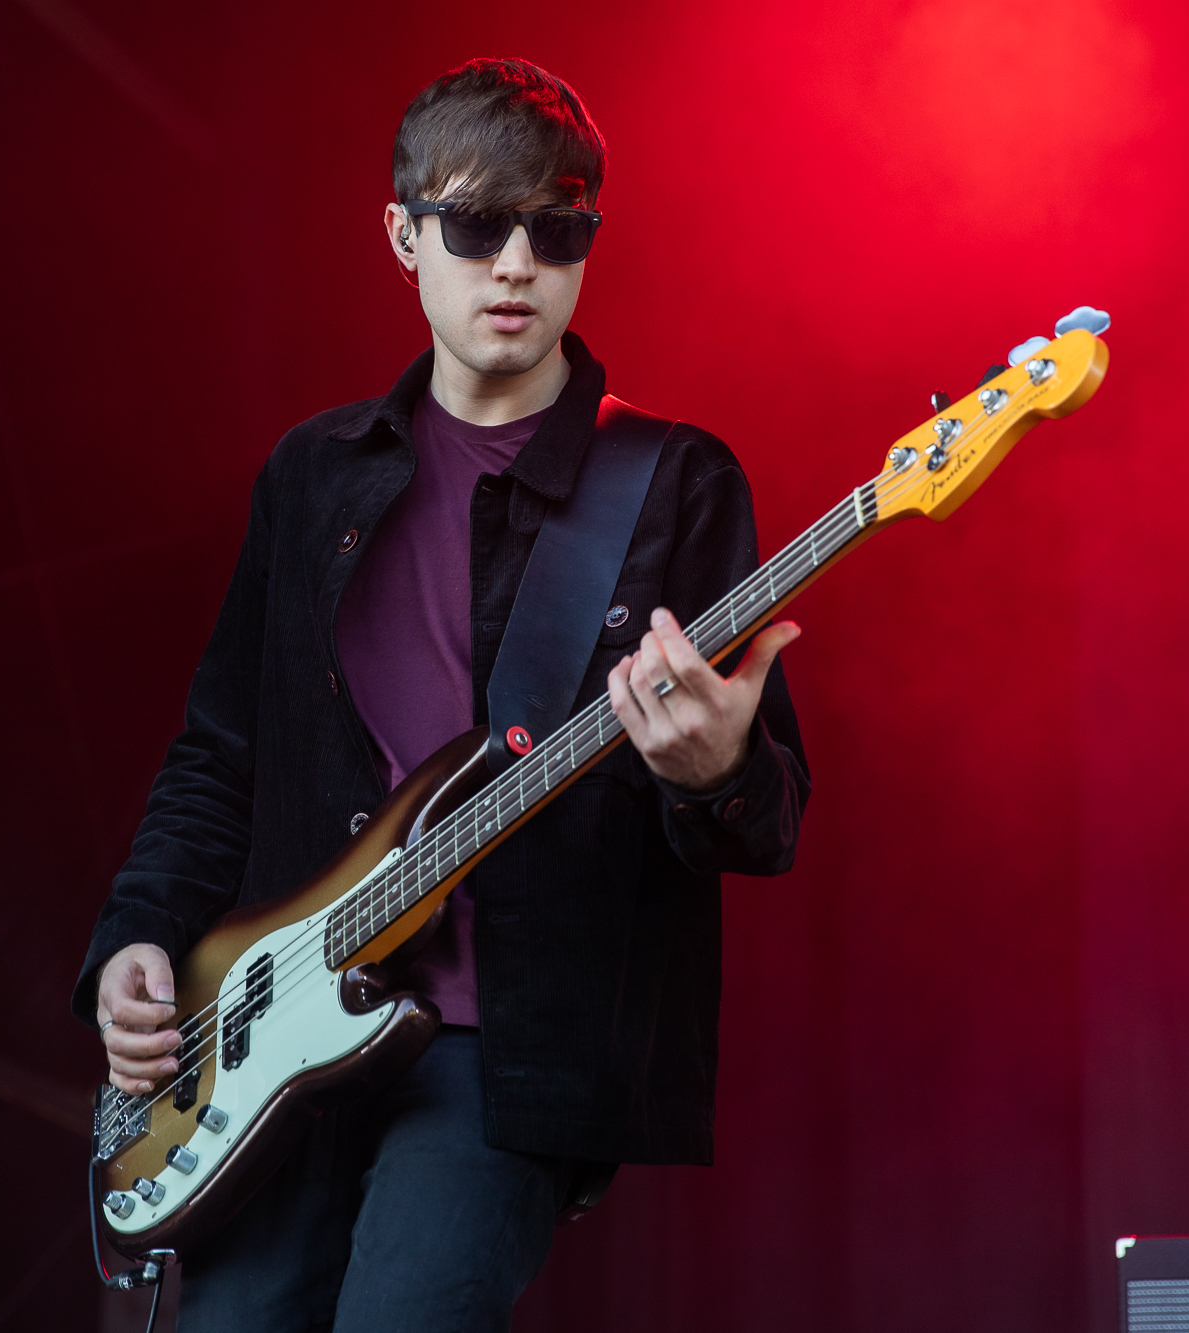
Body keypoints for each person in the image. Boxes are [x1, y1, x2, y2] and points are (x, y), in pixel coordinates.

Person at [72, 57, 810, 1332]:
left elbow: (769, 813)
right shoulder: (314, 475)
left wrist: (713, 776)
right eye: (475, 226)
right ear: (402, 236)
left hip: (501, 1053)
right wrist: (136, 934)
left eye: (555, 230)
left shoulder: (671, 483)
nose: (516, 264)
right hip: (276, 1033)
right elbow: (220, 754)